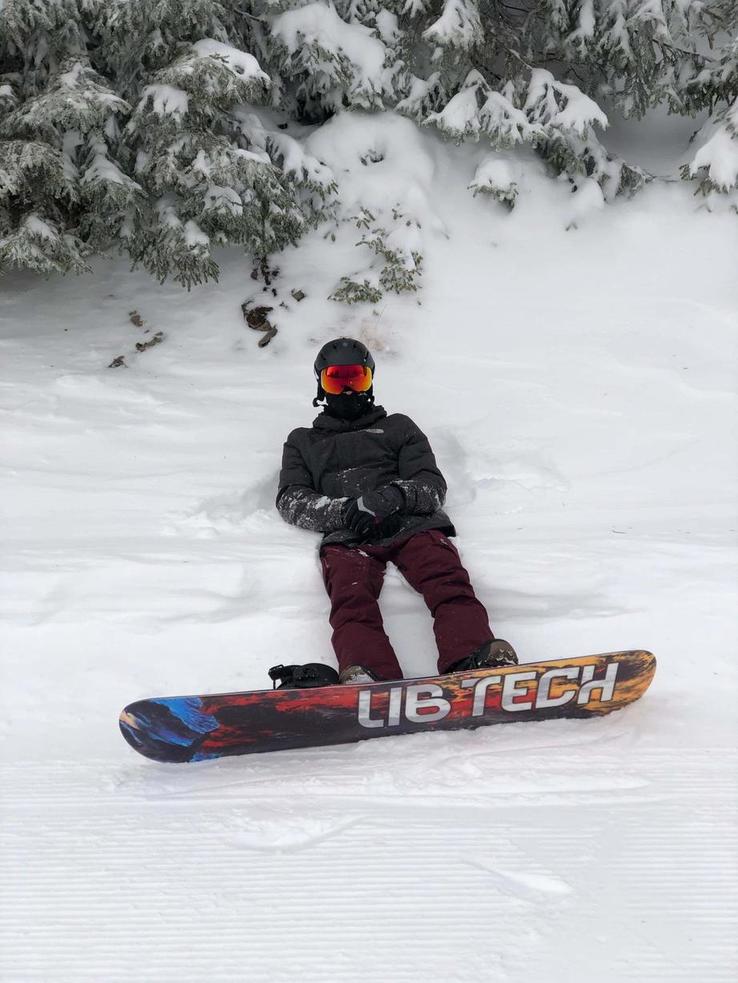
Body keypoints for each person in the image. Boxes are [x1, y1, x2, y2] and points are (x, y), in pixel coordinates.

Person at [270, 337, 517, 689]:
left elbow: (431, 485)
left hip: (412, 526)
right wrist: (346, 512)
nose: (348, 390)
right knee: (351, 599)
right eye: (336, 380)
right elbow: (292, 500)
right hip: (349, 537)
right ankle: (370, 677)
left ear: (371, 380)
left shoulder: (398, 427)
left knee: (447, 580)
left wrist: (394, 497)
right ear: (321, 385)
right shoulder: (303, 441)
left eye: (356, 379)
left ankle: (471, 658)